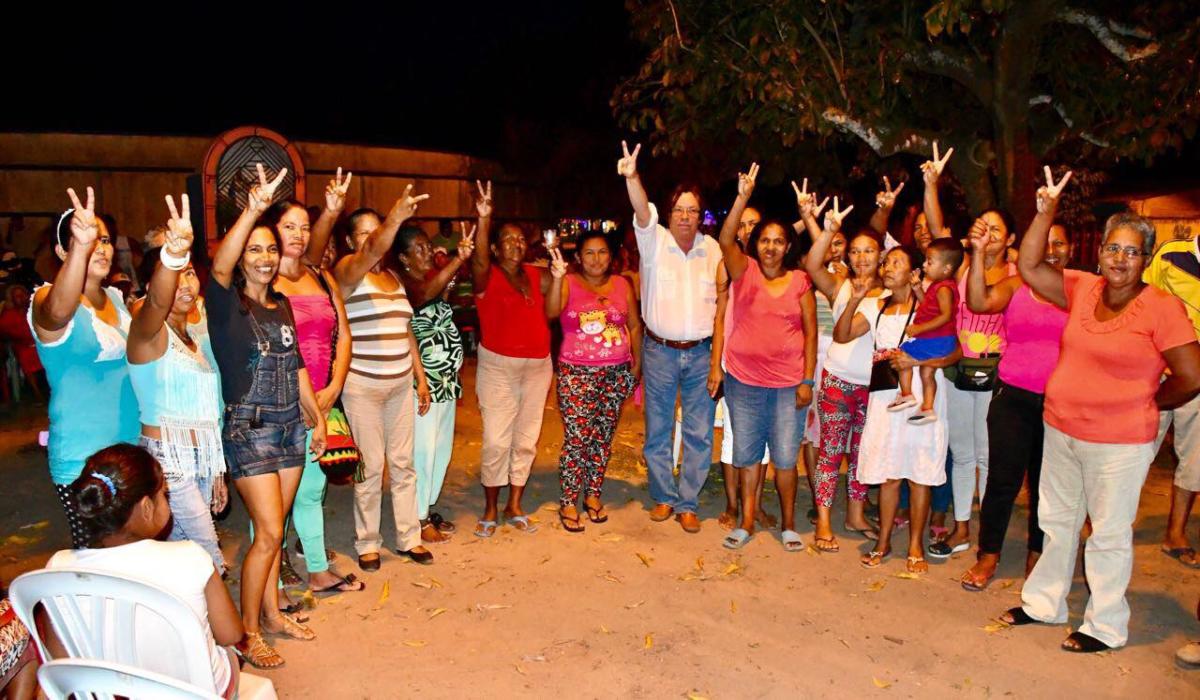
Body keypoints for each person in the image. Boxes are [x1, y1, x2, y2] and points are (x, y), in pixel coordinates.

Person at [1000, 169, 1200, 653]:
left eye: (1132, 252)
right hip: (1062, 428)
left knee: (1108, 534)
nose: (1120, 259)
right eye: (1114, 248)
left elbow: (1192, 376)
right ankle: (1044, 603)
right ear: (1100, 252)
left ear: (1146, 259)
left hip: (1120, 443)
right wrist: (1045, 212)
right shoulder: (1082, 287)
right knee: (1056, 521)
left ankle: (1105, 625)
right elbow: (1029, 265)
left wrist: (1147, 402)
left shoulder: (1162, 307)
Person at [207, 164, 327, 667]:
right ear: (241, 258)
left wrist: (316, 418)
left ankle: (274, 615)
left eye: (270, 249)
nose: (264, 258)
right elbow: (219, 265)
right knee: (270, 532)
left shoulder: (281, 305)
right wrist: (254, 209)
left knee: (273, 531)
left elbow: (296, 364)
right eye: (254, 250)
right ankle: (248, 632)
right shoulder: (225, 304)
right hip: (249, 430)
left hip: (290, 427)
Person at [45, 444, 243, 697]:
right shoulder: (191, 557)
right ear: (147, 507)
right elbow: (231, 633)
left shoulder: (58, 568)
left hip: (110, 693)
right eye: (164, 495)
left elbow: (59, 657)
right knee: (229, 652)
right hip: (195, 693)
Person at [309, 191, 434, 567]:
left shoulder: (393, 278)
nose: (373, 238)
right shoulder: (348, 272)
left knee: (404, 464)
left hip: (399, 385)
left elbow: (405, 330)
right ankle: (367, 542)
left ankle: (409, 537)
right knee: (371, 467)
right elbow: (369, 253)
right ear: (351, 241)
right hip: (363, 385)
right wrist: (395, 218)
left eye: (377, 230)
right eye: (365, 233)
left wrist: (420, 377)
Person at [618, 141, 726, 534]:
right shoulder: (654, 241)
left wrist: (716, 360)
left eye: (692, 210)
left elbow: (723, 304)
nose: (685, 216)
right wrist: (633, 177)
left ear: (701, 216)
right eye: (679, 209)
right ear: (669, 213)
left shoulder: (712, 250)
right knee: (659, 427)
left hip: (700, 354)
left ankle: (688, 502)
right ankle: (664, 495)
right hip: (659, 351)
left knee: (699, 432)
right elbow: (640, 210)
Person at [959, 223, 1070, 590]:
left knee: (1046, 485)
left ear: (1070, 249)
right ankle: (988, 554)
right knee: (1002, 480)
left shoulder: (1081, 290)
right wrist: (977, 253)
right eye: (1044, 243)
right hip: (1013, 397)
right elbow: (978, 302)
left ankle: (1037, 553)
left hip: (1059, 404)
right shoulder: (1016, 285)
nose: (1051, 250)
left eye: (1059, 243)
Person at [836, 244, 958, 573]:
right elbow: (842, 335)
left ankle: (916, 544)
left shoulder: (930, 305)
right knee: (888, 473)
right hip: (886, 398)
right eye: (886, 262)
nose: (888, 268)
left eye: (897, 263)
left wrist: (917, 362)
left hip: (923, 395)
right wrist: (856, 299)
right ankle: (884, 540)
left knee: (920, 474)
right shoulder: (877, 305)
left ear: (914, 271)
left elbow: (955, 352)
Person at [29, 187, 140, 549]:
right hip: (83, 459)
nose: (101, 248)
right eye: (90, 240)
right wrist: (82, 247)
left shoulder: (116, 298)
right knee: (96, 562)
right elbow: (57, 313)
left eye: (104, 240)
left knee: (133, 558)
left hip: (129, 450)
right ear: (63, 251)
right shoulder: (46, 298)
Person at [269, 168, 362, 594]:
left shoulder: (321, 277)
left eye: (305, 227)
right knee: (274, 499)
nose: (299, 235)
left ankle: (317, 568)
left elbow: (343, 335)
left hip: (322, 397)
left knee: (311, 490)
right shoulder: (263, 279)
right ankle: (272, 575)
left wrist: (334, 387)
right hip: (280, 402)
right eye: (289, 226)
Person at [923, 142, 1016, 559]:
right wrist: (931, 184)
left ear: (1010, 239)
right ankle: (960, 528)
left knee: (987, 455)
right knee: (961, 452)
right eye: (983, 227)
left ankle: (987, 535)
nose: (988, 235)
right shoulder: (961, 265)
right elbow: (937, 231)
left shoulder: (1018, 275)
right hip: (959, 371)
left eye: (996, 230)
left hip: (998, 375)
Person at [716, 163, 816, 550]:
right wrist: (742, 197)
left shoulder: (800, 281)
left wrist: (807, 380)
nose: (771, 247)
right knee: (747, 455)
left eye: (778, 241)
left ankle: (789, 525)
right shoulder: (744, 271)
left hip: (789, 385)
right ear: (755, 244)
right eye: (764, 240)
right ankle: (746, 522)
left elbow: (811, 333)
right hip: (744, 383)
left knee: (786, 458)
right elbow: (726, 238)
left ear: (788, 246)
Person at [126, 194, 228, 572]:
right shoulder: (148, 334)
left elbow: (206, 410)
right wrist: (173, 254)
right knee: (208, 556)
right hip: (168, 458)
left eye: (189, 272)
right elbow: (156, 303)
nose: (185, 282)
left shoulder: (195, 340)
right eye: (175, 274)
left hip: (201, 455)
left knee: (184, 554)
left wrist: (215, 468)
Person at [801, 185, 884, 552]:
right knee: (831, 452)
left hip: (873, 387)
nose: (862, 257)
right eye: (856, 251)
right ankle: (823, 520)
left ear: (881, 255)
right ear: (848, 255)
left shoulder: (890, 292)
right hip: (837, 380)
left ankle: (855, 515)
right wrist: (826, 228)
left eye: (869, 251)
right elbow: (812, 265)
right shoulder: (839, 286)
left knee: (862, 454)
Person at [469, 181, 552, 537]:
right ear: (494, 247)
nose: (516, 244)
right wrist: (484, 218)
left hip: (538, 367)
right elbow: (477, 259)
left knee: (526, 438)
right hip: (498, 367)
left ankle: (514, 504)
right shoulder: (486, 275)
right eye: (507, 240)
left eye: (520, 240)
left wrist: (559, 270)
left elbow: (557, 304)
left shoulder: (536, 275)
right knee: (497, 440)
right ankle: (490, 506)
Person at [545, 230, 642, 532]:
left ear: (611, 257)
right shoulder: (569, 282)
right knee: (577, 438)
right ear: (578, 257)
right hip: (577, 373)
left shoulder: (622, 284)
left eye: (602, 252)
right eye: (589, 252)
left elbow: (634, 326)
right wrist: (557, 278)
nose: (596, 259)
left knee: (602, 437)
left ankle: (593, 494)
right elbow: (551, 312)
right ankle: (568, 500)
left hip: (616, 372)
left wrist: (637, 365)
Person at [396, 221, 474, 542]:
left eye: (428, 246)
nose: (427, 252)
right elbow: (425, 296)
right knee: (423, 452)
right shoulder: (405, 285)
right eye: (420, 249)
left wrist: (453, 274)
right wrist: (457, 260)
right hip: (423, 384)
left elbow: (441, 297)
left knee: (441, 450)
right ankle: (417, 518)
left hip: (446, 382)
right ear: (404, 258)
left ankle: (426, 508)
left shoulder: (430, 279)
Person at [1143, 232, 1200, 568]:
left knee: (1196, 460)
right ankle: (1110, 526)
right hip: (1159, 373)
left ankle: (1175, 534)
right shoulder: (1171, 254)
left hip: (1199, 381)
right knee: (1136, 450)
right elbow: (1143, 303)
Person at [717, 203, 773, 532]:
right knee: (733, 438)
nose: (749, 229)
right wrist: (716, 366)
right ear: (737, 230)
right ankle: (732, 504)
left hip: (769, 368)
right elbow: (720, 318)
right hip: (735, 364)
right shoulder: (730, 264)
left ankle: (756, 505)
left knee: (762, 442)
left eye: (755, 223)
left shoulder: (773, 267)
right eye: (744, 224)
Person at [890, 238, 963, 423]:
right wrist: (917, 289)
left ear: (946, 268)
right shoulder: (939, 286)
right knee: (927, 372)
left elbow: (945, 316)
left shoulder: (944, 288)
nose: (924, 265)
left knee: (902, 352)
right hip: (941, 339)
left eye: (930, 262)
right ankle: (928, 407)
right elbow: (929, 308)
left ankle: (906, 394)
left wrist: (919, 328)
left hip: (936, 338)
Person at [0, 284, 46, 402]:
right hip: (23, 345)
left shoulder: (34, 309)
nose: (21, 298)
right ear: (12, 299)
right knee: (25, 356)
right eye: (17, 296)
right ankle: (37, 394)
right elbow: (5, 331)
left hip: (40, 343)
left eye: (23, 295)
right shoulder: (9, 314)